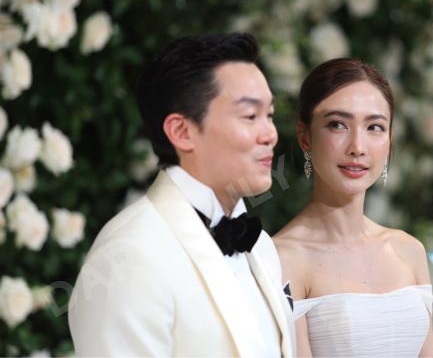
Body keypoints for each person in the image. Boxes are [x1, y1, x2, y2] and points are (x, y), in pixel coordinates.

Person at [68, 33, 295, 357]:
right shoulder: (128, 256)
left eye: (269, 115)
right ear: (182, 132)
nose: (270, 134)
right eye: (250, 116)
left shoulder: (260, 246)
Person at [274, 58, 433, 357]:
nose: (357, 147)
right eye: (337, 125)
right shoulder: (283, 258)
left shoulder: (408, 250)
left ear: (389, 139)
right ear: (304, 136)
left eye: (375, 127)